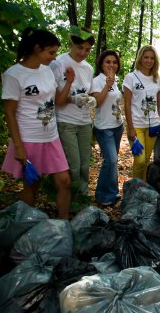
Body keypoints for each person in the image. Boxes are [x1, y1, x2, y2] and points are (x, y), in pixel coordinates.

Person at [1, 27, 72, 219]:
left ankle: (64, 224)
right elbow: (9, 111)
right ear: (37, 48)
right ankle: (25, 228)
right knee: (32, 185)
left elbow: (57, 100)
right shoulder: (14, 74)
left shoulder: (47, 72)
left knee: (64, 181)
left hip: (51, 137)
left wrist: (70, 82)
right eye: (51, 52)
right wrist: (18, 147)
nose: (54, 57)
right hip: (29, 138)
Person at [50, 28, 95, 198]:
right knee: (73, 166)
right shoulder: (58, 63)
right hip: (65, 121)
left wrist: (91, 99)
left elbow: (87, 92)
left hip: (84, 121)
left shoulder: (88, 68)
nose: (83, 52)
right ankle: (70, 200)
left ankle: (82, 200)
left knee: (84, 165)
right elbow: (53, 96)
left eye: (88, 49)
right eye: (80, 47)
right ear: (71, 44)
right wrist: (73, 99)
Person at [90, 50, 123, 206]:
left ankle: (112, 192)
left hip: (117, 126)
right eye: (108, 62)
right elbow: (96, 103)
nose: (111, 65)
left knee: (112, 162)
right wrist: (106, 86)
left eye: (114, 62)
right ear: (101, 64)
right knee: (111, 160)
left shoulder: (115, 79)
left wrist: (111, 83)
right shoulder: (97, 81)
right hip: (104, 128)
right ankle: (103, 196)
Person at [123, 45, 160, 180]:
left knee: (146, 160)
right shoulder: (131, 77)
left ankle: (142, 188)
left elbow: (159, 103)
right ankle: (134, 188)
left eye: (151, 58)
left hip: (152, 126)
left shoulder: (157, 79)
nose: (149, 60)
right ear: (140, 58)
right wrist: (131, 127)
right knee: (139, 159)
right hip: (137, 125)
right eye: (146, 57)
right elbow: (126, 104)